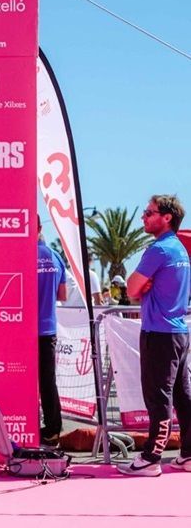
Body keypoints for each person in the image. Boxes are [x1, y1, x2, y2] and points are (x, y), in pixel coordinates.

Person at [118, 195, 191, 476]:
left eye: (149, 213)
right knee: (182, 395)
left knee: (159, 397)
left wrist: (142, 285)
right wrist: (142, 286)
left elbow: (131, 289)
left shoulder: (159, 249)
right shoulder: (179, 249)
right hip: (178, 332)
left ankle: (151, 458)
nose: (144, 217)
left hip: (160, 333)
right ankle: (188, 454)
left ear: (167, 217)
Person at [38, 221, 68, 446]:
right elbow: (62, 295)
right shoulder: (56, 256)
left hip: (23, 328)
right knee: (48, 381)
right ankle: (53, 430)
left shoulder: (22, 255)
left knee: (23, 379)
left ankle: (29, 424)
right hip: (48, 328)